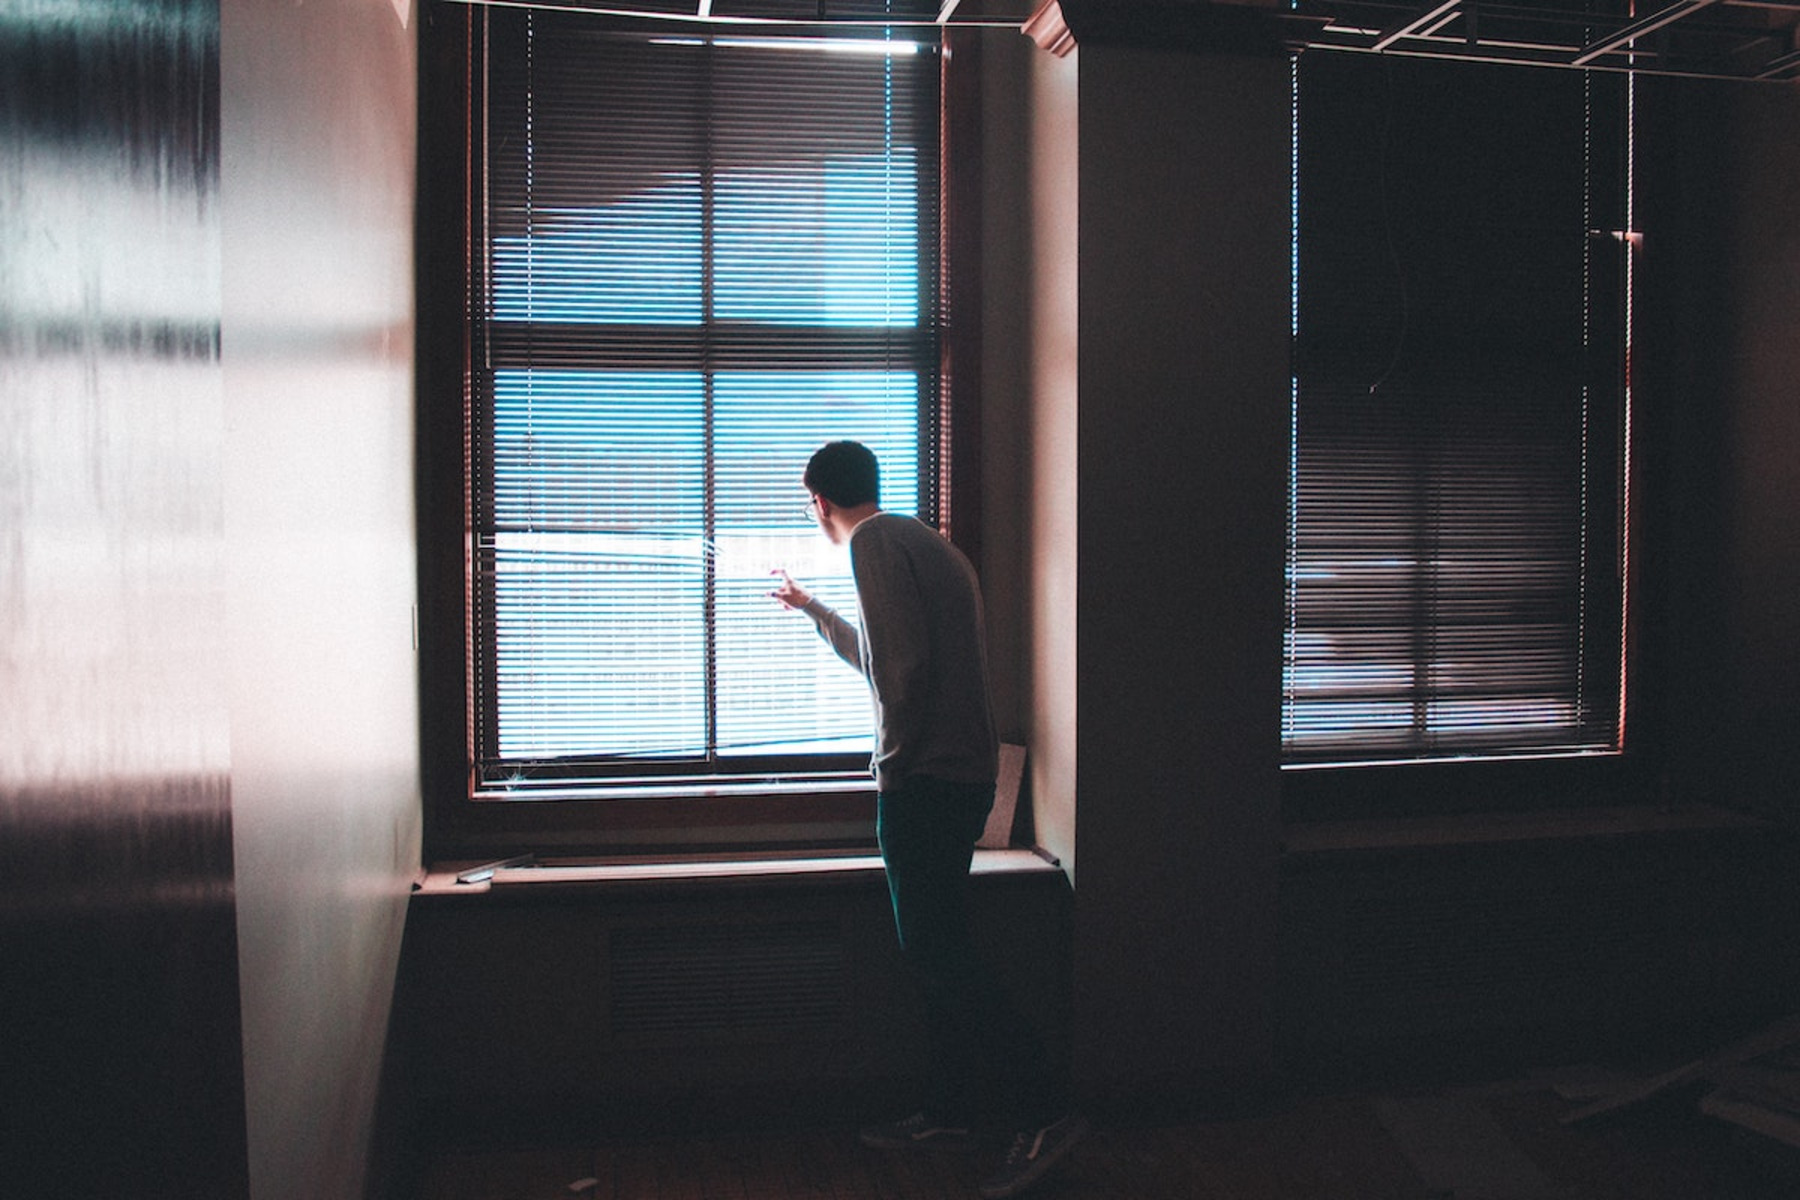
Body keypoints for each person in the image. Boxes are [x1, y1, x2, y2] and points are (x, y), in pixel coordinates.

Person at [770, 440, 1087, 1199]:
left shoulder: (873, 544)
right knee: (936, 953)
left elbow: (904, 676)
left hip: (926, 784)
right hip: (957, 778)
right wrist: (815, 610)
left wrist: (893, 767)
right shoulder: (919, 540)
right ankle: (950, 1108)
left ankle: (1044, 1109)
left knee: (939, 954)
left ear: (818, 500)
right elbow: (891, 661)